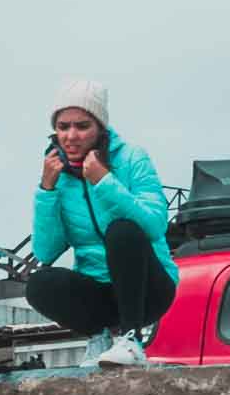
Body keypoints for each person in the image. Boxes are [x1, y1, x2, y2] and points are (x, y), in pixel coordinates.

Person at [27, 78, 176, 368]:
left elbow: (156, 224)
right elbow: (45, 252)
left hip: (148, 289)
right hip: (98, 294)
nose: (71, 136)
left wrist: (104, 181)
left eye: (82, 126)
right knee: (39, 283)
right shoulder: (57, 175)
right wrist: (46, 191)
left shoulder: (133, 158)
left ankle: (131, 339)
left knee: (122, 231)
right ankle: (100, 337)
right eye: (63, 126)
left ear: (100, 129)